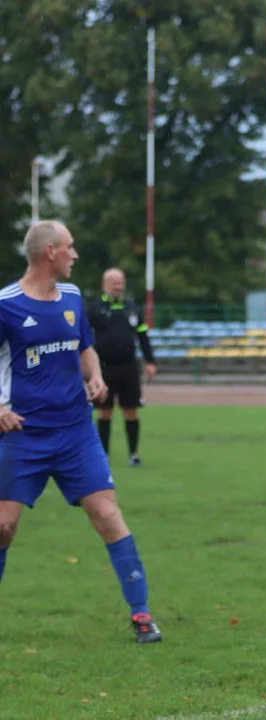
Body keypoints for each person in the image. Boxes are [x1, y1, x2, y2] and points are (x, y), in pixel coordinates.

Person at [0, 221, 162, 644]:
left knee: (108, 515)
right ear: (50, 251)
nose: (75, 255)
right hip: (23, 435)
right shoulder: (6, 304)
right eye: (70, 248)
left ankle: (142, 614)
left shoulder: (72, 299)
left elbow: (83, 346)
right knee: (3, 528)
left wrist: (94, 376)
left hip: (75, 431)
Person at [86, 268, 157, 467]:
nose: (117, 287)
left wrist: (150, 361)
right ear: (104, 285)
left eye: (120, 283)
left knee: (131, 410)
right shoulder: (94, 309)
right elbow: (82, 339)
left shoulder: (132, 307)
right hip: (104, 367)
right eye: (113, 283)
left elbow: (142, 336)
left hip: (128, 367)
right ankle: (104, 455)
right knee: (104, 411)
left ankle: (133, 454)